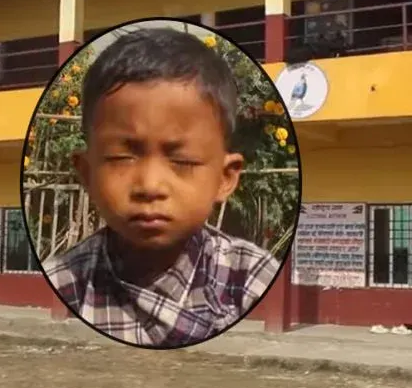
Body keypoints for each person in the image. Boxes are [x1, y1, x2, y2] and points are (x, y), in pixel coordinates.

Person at [42, 27, 279, 348]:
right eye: (121, 157)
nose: (150, 186)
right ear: (87, 173)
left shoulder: (251, 277)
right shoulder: (65, 281)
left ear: (225, 178)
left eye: (182, 160)